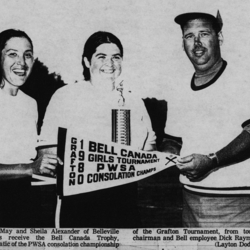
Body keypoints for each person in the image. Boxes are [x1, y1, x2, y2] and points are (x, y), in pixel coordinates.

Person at [39, 31, 156, 228]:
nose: (109, 64)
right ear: (86, 61)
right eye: (101, 57)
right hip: (77, 203)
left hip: (123, 201)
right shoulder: (66, 96)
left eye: (116, 57)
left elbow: (148, 150)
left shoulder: (133, 101)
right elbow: (46, 151)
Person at [165, 11, 250, 227]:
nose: (197, 43)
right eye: (189, 36)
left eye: (204, 34)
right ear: (182, 43)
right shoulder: (178, 87)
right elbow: (173, 140)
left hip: (238, 206)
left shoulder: (242, 77)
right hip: (191, 204)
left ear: (219, 38)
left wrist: (212, 161)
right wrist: (170, 154)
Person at [0, 29, 61, 227]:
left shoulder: (31, 103)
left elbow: (30, 160)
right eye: (12, 54)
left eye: (27, 55)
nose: (21, 62)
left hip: (28, 202)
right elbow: (28, 167)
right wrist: (30, 168)